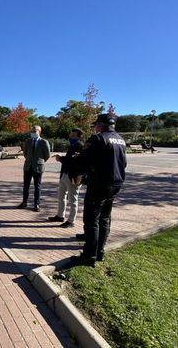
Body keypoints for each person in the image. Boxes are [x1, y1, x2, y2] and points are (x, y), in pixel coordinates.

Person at [71, 114, 127, 267]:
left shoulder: (98, 138)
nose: (95, 127)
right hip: (115, 184)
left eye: (96, 125)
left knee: (91, 220)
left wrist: (77, 159)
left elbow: (84, 161)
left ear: (101, 125)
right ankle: (100, 252)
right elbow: (124, 163)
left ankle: (89, 255)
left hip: (99, 184)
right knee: (105, 218)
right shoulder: (121, 140)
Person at [48, 129, 85, 228]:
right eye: (70, 135)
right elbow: (70, 159)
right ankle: (60, 215)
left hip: (73, 177)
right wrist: (62, 157)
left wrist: (61, 159)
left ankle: (71, 221)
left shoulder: (80, 146)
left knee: (73, 199)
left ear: (79, 137)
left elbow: (74, 161)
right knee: (61, 196)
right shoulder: (72, 146)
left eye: (73, 136)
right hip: (65, 175)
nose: (70, 137)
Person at [18, 125, 51, 212]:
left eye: (34, 131)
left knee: (37, 186)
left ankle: (36, 204)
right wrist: (29, 160)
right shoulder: (28, 141)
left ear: (39, 132)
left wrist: (40, 161)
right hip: (28, 166)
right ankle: (24, 202)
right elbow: (25, 153)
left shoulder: (44, 142)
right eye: (31, 131)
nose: (32, 133)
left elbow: (47, 155)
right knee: (26, 186)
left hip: (38, 167)